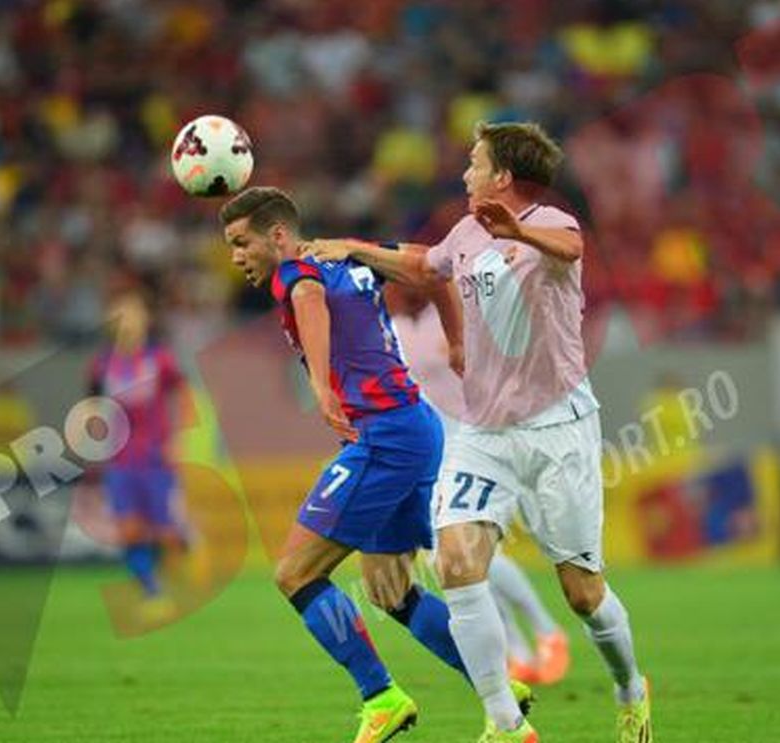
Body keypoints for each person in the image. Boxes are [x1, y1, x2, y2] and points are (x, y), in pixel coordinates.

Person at [308, 121, 651, 743]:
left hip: (558, 431)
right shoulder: (466, 231)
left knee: (582, 593)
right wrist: (354, 248)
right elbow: (425, 266)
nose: (465, 173)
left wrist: (516, 232)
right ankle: (505, 722)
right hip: (484, 433)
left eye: (475, 163)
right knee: (458, 563)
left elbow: (570, 249)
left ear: (502, 176)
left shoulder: (553, 223)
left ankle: (630, 689)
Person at [219, 187, 530, 743]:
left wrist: (319, 386)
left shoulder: (294, 271)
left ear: (279, 235)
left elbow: (308, 297)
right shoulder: (354, 257)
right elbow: (433, 271)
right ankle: (499, 691)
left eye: (242, 243)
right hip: (417, 427)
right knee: (389, 590)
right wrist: (457, 342)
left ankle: (381, 696)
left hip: (383, 437)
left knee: (295, 574)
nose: (236, 256)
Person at [386, 281, 572, 686]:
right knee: (454, 561)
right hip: (432, 452)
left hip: (478, 442)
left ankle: (545, 630)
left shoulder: (452, 317)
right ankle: (517, 652)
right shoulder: (394, 329)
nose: (395, 290)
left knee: (472, 552)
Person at [87, 288, 188, 620]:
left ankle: (179, 546)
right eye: (121, 316)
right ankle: (152, 590)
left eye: (133, 314)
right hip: (120, 459)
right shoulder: (102, 364)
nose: (128, 322)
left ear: (144, 321)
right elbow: (92, 406)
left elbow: (182, 394)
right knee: (129, 530)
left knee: (164, 532)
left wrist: (178, 438)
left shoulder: (159, 359)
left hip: (156, 456)